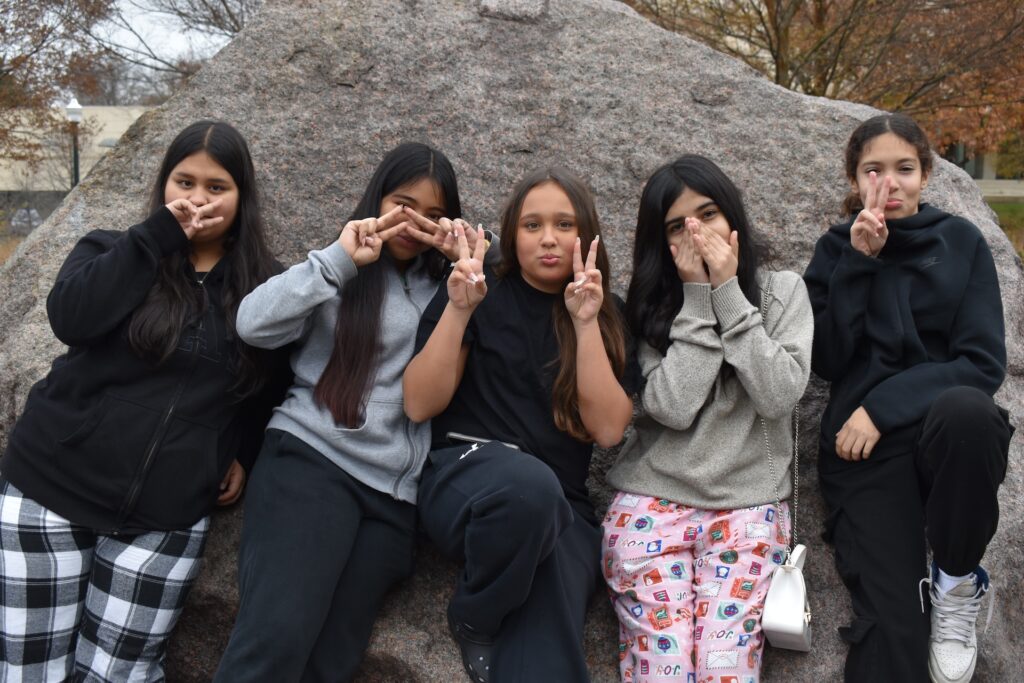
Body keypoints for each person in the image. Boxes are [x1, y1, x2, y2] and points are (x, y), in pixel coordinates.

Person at [0, 120, 289, 681]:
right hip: (48, 494)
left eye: (216, 187)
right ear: (163, 186)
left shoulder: (265, 287)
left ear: (242, 196)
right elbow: (70, 319)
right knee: (28, 671)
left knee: (121, 675)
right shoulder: (113, 248)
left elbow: (268, 384)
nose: (196, 198)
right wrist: (156, 237)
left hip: (165, 518)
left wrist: (242, 453)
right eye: (184, 182)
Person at [212, 142, 493, 682]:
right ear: (377, 198)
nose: (414, 222)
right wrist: (338, 259)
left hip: (390, 502)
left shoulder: (454, 287)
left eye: (433, 214)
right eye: (403, 203)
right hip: (311, 467)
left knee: (331, 663)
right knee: (273, 643)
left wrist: (475, 251)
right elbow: (253, 324)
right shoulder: (341, 268)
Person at [403, 168, 635, 682]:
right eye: (532, 225)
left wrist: (585, 321)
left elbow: (609, 430)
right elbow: (419, 403)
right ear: (512, 234)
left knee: (549, 651)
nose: (548, 238)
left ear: (587, 236)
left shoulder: (606, 312)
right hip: (465, 476)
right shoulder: (478, 289)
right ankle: (475, 614)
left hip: (560, 507)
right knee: (529, 490)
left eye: (564, 224)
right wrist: (460, 310)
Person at [804, 113, 1013, 683]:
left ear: (925, 175)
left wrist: (882, 405)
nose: (889, 183)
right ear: (854, 177)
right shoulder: (834, 249)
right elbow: (824, 360)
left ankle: (956, 578)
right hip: (862, 455)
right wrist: (857, 263)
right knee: (893, 625)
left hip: (940, 430)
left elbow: (981, 363)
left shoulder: (961, 242)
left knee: (971, 414)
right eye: (874, 170)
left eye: (904, 169)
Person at [601, 154, 813, 683]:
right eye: (677, 226)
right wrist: (697, 298)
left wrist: (728, 296)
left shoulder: (782, 292)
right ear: (661, 242)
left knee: (727, 671)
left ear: (732, 218)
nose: (696, 231)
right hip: (650, 503)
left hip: (747, 508)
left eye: (708, 214)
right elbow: (671, 407)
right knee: (662, 671)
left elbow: (779, 393)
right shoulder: (648, 308)